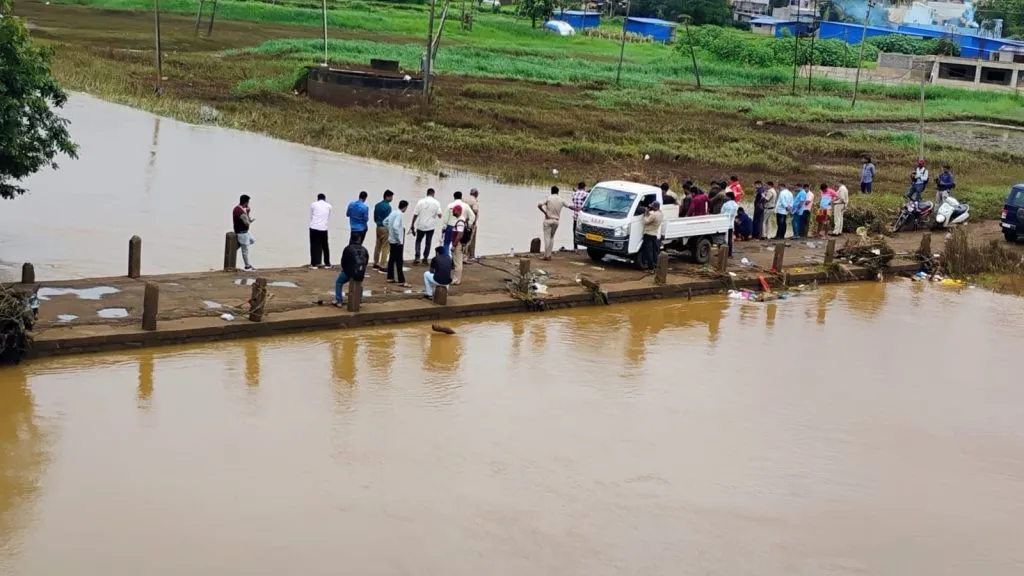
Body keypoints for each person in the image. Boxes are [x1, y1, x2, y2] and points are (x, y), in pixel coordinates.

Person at [410, 188, 442, 265]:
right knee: (428, 242)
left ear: (427, 193)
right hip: (430, 226)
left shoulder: (420, 202)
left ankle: (417, 257)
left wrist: (412, 224)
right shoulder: (436, 203)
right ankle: (425, 259)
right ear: (433, 194)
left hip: (421, 225)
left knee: (418, 241)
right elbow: (440, 215)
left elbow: (415, 214)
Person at [382, 199, 410, 287]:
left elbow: (384, 222)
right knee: (399, 261)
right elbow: (395, 226)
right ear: (405, 207)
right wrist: (399, 239)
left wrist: (389, 229)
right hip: (397, 241)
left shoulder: (393, 213)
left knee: (391, 259)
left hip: (391, 240)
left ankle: (390, 277)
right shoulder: (399, 214)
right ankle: (401, 280)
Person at [334, 240, 369, 307]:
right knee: (359, 284)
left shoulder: (348, 249)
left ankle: (339, 301)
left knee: (338, 283)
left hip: (348, 271)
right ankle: (359, 301)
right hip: (360, 271)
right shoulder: (364, 249)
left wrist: (345, 270)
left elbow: (343, 262)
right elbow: (366, 262)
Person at [537, 186, 567, 260]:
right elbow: (569, 206)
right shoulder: (561, 199)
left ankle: (545, 256)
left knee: (547, 238)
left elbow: (539, 205)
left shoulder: (548, 198)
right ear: (558, 192)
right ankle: (549, 255)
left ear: (551, 191)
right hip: (556, 221)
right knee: (552, 237)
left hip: (548, 220)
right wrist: (579, 208)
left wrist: (545, 212)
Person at [309, 193, 333, 268]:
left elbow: (311, 216)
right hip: (323, 228)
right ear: (324, 199)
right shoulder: (329, 206)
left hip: (314, 227)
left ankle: (314, 264)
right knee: (325, 246)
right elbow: (328, 217)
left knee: (314, 246)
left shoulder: (313, 204)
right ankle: (327, 263)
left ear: (317, 198)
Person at [232, 194, 255, 271]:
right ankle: (247, 266)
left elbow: (246, 221)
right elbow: (247, 223)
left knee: (252, 240)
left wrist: (248, 218)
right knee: (245, 250)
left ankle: (239, 244)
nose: (248, 204)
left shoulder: (237, 209)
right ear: (245, 202)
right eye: (248, 202)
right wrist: (248, 213)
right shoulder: (240, 212)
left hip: (245, 232)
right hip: (242, 233)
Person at [372, 190, 394, 271]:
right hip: (385, 228)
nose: (392, 199)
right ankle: (383, 265)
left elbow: (374, 217)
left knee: (378, 245)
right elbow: (388, 220)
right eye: (391, 197)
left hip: (378, 227)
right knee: (385, 246)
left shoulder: (377, 205)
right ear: (387, 197)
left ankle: (375, 262)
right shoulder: (388, 207)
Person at [641, 201, 663, 271]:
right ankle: (655, 265)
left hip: (648, 234)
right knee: (654, 251)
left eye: (652, 206)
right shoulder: (661, 214)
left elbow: (646, 222)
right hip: (654, 234)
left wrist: (645, 214)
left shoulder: (654, 215)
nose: (651, 207)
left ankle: (651, 268)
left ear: (655, 207)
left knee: (649, 252)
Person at [450, 205, 469, 284]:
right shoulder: (460, 220)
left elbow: (459, 234)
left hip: (458, 244)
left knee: (458, 262)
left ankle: (456, 280)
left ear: (458, 211)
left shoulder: (460, 222)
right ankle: (456, 279)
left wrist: (454, 245)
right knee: (457, 262)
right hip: (459, 244)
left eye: (454, 210)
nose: (453, 212)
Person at [570, 181, 589, 250]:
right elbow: (587, 196)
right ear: (584, 187)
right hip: (583, 217)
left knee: (574, 231)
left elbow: (574, 196)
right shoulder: (586, 194)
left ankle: (575, 247)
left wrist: (575, 191)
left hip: (575, 217)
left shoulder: (573, 194)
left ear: (578, 186)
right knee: (586, 232)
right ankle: (589, 247)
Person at [720, 192, 739, 257]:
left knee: (723, 239)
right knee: (730, 240)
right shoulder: (736, 205)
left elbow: (721, 214)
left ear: (729, 197)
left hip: (724, 224)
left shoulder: (725, 204)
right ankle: (730, 254)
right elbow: (735, 215)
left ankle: (723, 254)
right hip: (731, 225)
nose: (725, 197)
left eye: (726, 196)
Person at [466, 188, 481, 260]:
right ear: (476, 194)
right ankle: (470, 256)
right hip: (471, 222)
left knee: (464, 238)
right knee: (471, 239)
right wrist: (474, 220)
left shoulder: (464, 199)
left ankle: (464, 255)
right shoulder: (474, 201)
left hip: (464, 221)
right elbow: (475, 210)